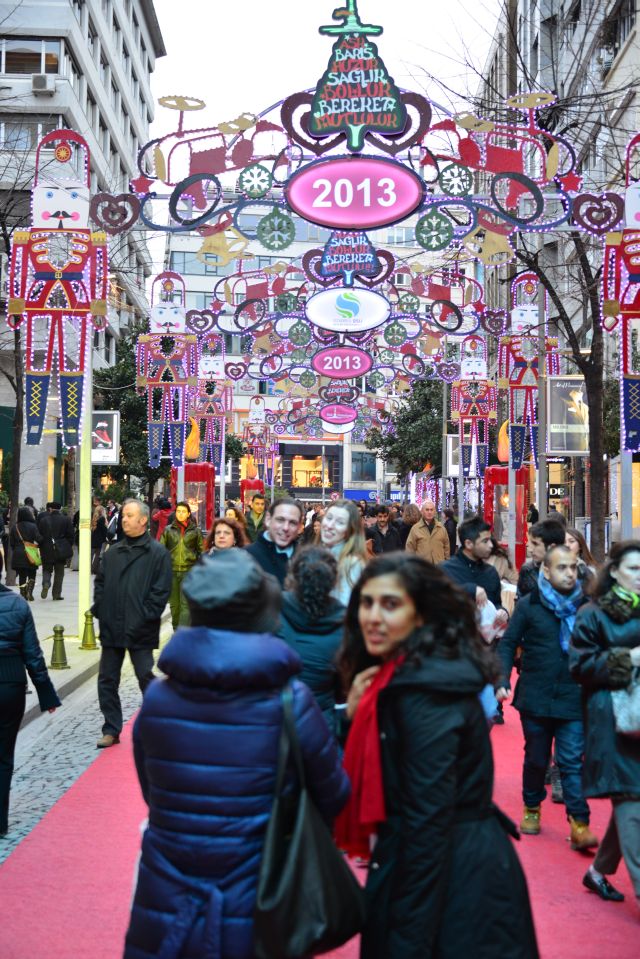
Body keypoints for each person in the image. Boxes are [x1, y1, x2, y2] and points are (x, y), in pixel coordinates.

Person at [124, 549, 349, 959]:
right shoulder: (289, 700)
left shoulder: (158, 697)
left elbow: (150, 787)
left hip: (168, 885)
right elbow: (333, 793)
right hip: (260, 886)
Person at [335, 554, 539, 959]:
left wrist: (406, 939)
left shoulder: (424, 693)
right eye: (367, 603)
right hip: (449, 868)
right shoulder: (401, 675)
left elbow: (429, 825)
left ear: (421, 614)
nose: (373, 617)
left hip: (452, 883)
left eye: (390, 605)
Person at [496, 545, 598, 849]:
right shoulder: (530, 606)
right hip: (536, 696)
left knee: (570, 760)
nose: (569, 573)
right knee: (537, 758)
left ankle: (579, 823)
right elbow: (507, 643)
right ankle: (531, 807)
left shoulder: (587, 607)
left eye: (573, 567)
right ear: (546, 571)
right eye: (562, 567)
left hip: (573, 695)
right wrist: (501, 679)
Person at [570, 541, 640, 906]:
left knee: (632, 804)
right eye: (634, 570)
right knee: (632, 805)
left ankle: (598, 872)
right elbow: (580, 668)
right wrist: (628, 658)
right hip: (612, 723)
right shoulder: (592, 614)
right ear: (613, 572)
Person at [93, 499, 172, 749]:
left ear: (143, 520)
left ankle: (158, 723)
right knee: (107, 680)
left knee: (146, 677)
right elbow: (101, 584)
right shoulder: (113, 552)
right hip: (112, 626)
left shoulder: (157, 553)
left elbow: (161, 593)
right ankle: (111, 728)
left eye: (129, 515)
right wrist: (102, 610)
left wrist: (145, 616)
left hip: (140, 627)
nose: (124, 520)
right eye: (123, 516)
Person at [0, 552, 60, 836]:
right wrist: (46, 694)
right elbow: (33, 654)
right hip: (10, 685)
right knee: (3, 757)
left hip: (10, 683)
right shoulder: (17, 604)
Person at [278, 545, 345, 736]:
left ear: (293, 575)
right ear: (333, 581)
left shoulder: (272, 611)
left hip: (277, 717)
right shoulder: (344, 624)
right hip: (322, 721)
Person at [441, 515, 509, 620]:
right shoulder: (445, 570)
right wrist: (470, 589)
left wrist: (502, 612)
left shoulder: (491, 572)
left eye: (490, 540)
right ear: (468, 544)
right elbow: (435, 602)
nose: (491, 545)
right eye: (485, 541)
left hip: (485, 635)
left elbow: (496, 603)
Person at [159, 501, 203, 629]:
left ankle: (181, 634)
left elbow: (201, 553)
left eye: (183, 511)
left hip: (189, 572)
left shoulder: (196, 531)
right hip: (171, 572)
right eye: (178, 511)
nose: (180, 514)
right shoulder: (168, 530)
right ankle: (176, 630)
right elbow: (161, 551)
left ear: (189, 513)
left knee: (185, 605)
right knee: (174, 606)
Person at [320, 499, 368, 606]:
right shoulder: (318, 554)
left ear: (349, 530)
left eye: (340, 522)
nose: (330, 525)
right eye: (329, 518)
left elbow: (343, 608)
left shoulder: (352, 563)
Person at [246, 497, 303, 586]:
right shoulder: (246, 557)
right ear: (268, 519)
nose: (285, 528)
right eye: (280, 520)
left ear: (299, 526)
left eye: (292, 522)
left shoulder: (305, 560)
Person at [517, 519, 566, 598]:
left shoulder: (577, 570)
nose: (530, 549)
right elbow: (520, 604)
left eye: (535, 544)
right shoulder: (527, 570)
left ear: (552, 547)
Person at [37, 502, 74, 600]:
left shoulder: (43, 520)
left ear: (50, 509)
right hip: (60, 550)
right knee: (59, 573)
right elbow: (71, 536)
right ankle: (56, 594)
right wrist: (66, 545)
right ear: (60, 508)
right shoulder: (66, 520)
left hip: (46, 549)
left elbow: (39, 536)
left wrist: (41, 547)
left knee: (47, 570)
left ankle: (46, 583)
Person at [9, 507, 42, 601]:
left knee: (22, 576)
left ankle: (22, 594)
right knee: (32, 574)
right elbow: (39, 539)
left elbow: (12, 543)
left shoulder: (15, 527)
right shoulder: (33, 526)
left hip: (18, 554)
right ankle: (30, 593)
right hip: (30, 553)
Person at [90, 504, 108, 575]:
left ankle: (89, 569)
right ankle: (94, 569)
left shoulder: (94, 518)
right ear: (102, 511)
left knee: (91, 555)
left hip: (93, 539)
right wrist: (106, 538)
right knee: (97, 556)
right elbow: (104, 530)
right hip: (99, 539)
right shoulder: (102, 519)